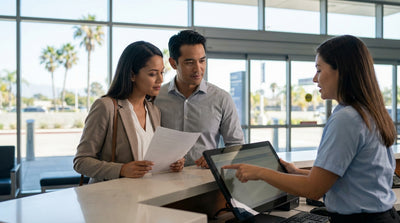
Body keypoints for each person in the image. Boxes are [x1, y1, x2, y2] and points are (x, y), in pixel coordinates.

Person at [223, 35, 400, 223]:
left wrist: (260, 173)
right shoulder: (368, 112)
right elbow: (344, 180)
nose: (315, 79)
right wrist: (295, 172)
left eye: (319, 70)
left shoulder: (346, 119)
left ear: (341, 71)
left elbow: (314, 190)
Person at [74, 41, 185, 184]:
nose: (160, 79)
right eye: (152, 74)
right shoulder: (105, 107)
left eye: (162, 72)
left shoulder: (154, 110)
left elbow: (151, 160)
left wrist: (172, 163)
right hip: (113, 199)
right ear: (132, 75)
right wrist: (121, 169)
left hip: (148, 194)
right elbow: (81, 161)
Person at [154, 30, 245, 168]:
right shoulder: (156, 98)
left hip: (207, 181)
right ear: (173, 63)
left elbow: (236, 145)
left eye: (202, 61)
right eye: (189, 62)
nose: (198, 69)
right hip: (163, 179)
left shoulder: (222, 98)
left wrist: (217, 157)